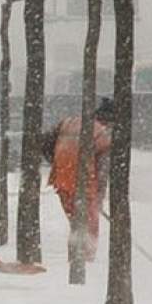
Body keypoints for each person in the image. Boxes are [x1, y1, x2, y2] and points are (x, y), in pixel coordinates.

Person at [46, 97, 114, 261]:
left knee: (76, 222)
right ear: (109, 120)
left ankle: (76, 257)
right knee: (90, 226)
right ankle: (85, 262)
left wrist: (57, 162)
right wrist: (99, 196)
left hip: (62, 180)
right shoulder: (102, 134)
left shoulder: (69, 122)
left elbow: (46, 142)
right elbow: (103, 170)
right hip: (85, 184)